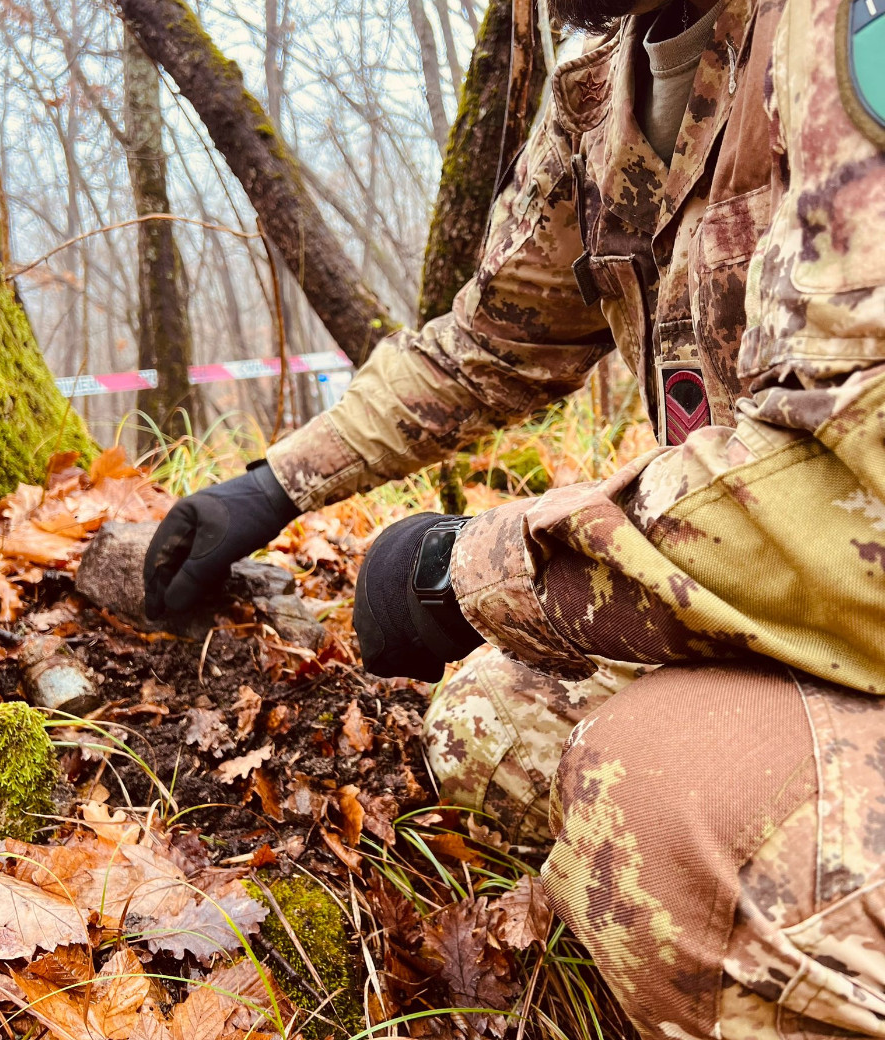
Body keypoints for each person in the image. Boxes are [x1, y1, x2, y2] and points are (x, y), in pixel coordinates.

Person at [144, 0, 885, 1032]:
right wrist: (271, 485)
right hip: (792, 622)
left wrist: (475, 567)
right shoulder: (606, 90)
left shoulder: (837, 39)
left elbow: (861, 503)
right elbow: (492, 337)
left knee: (653, 802)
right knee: (492, 720)